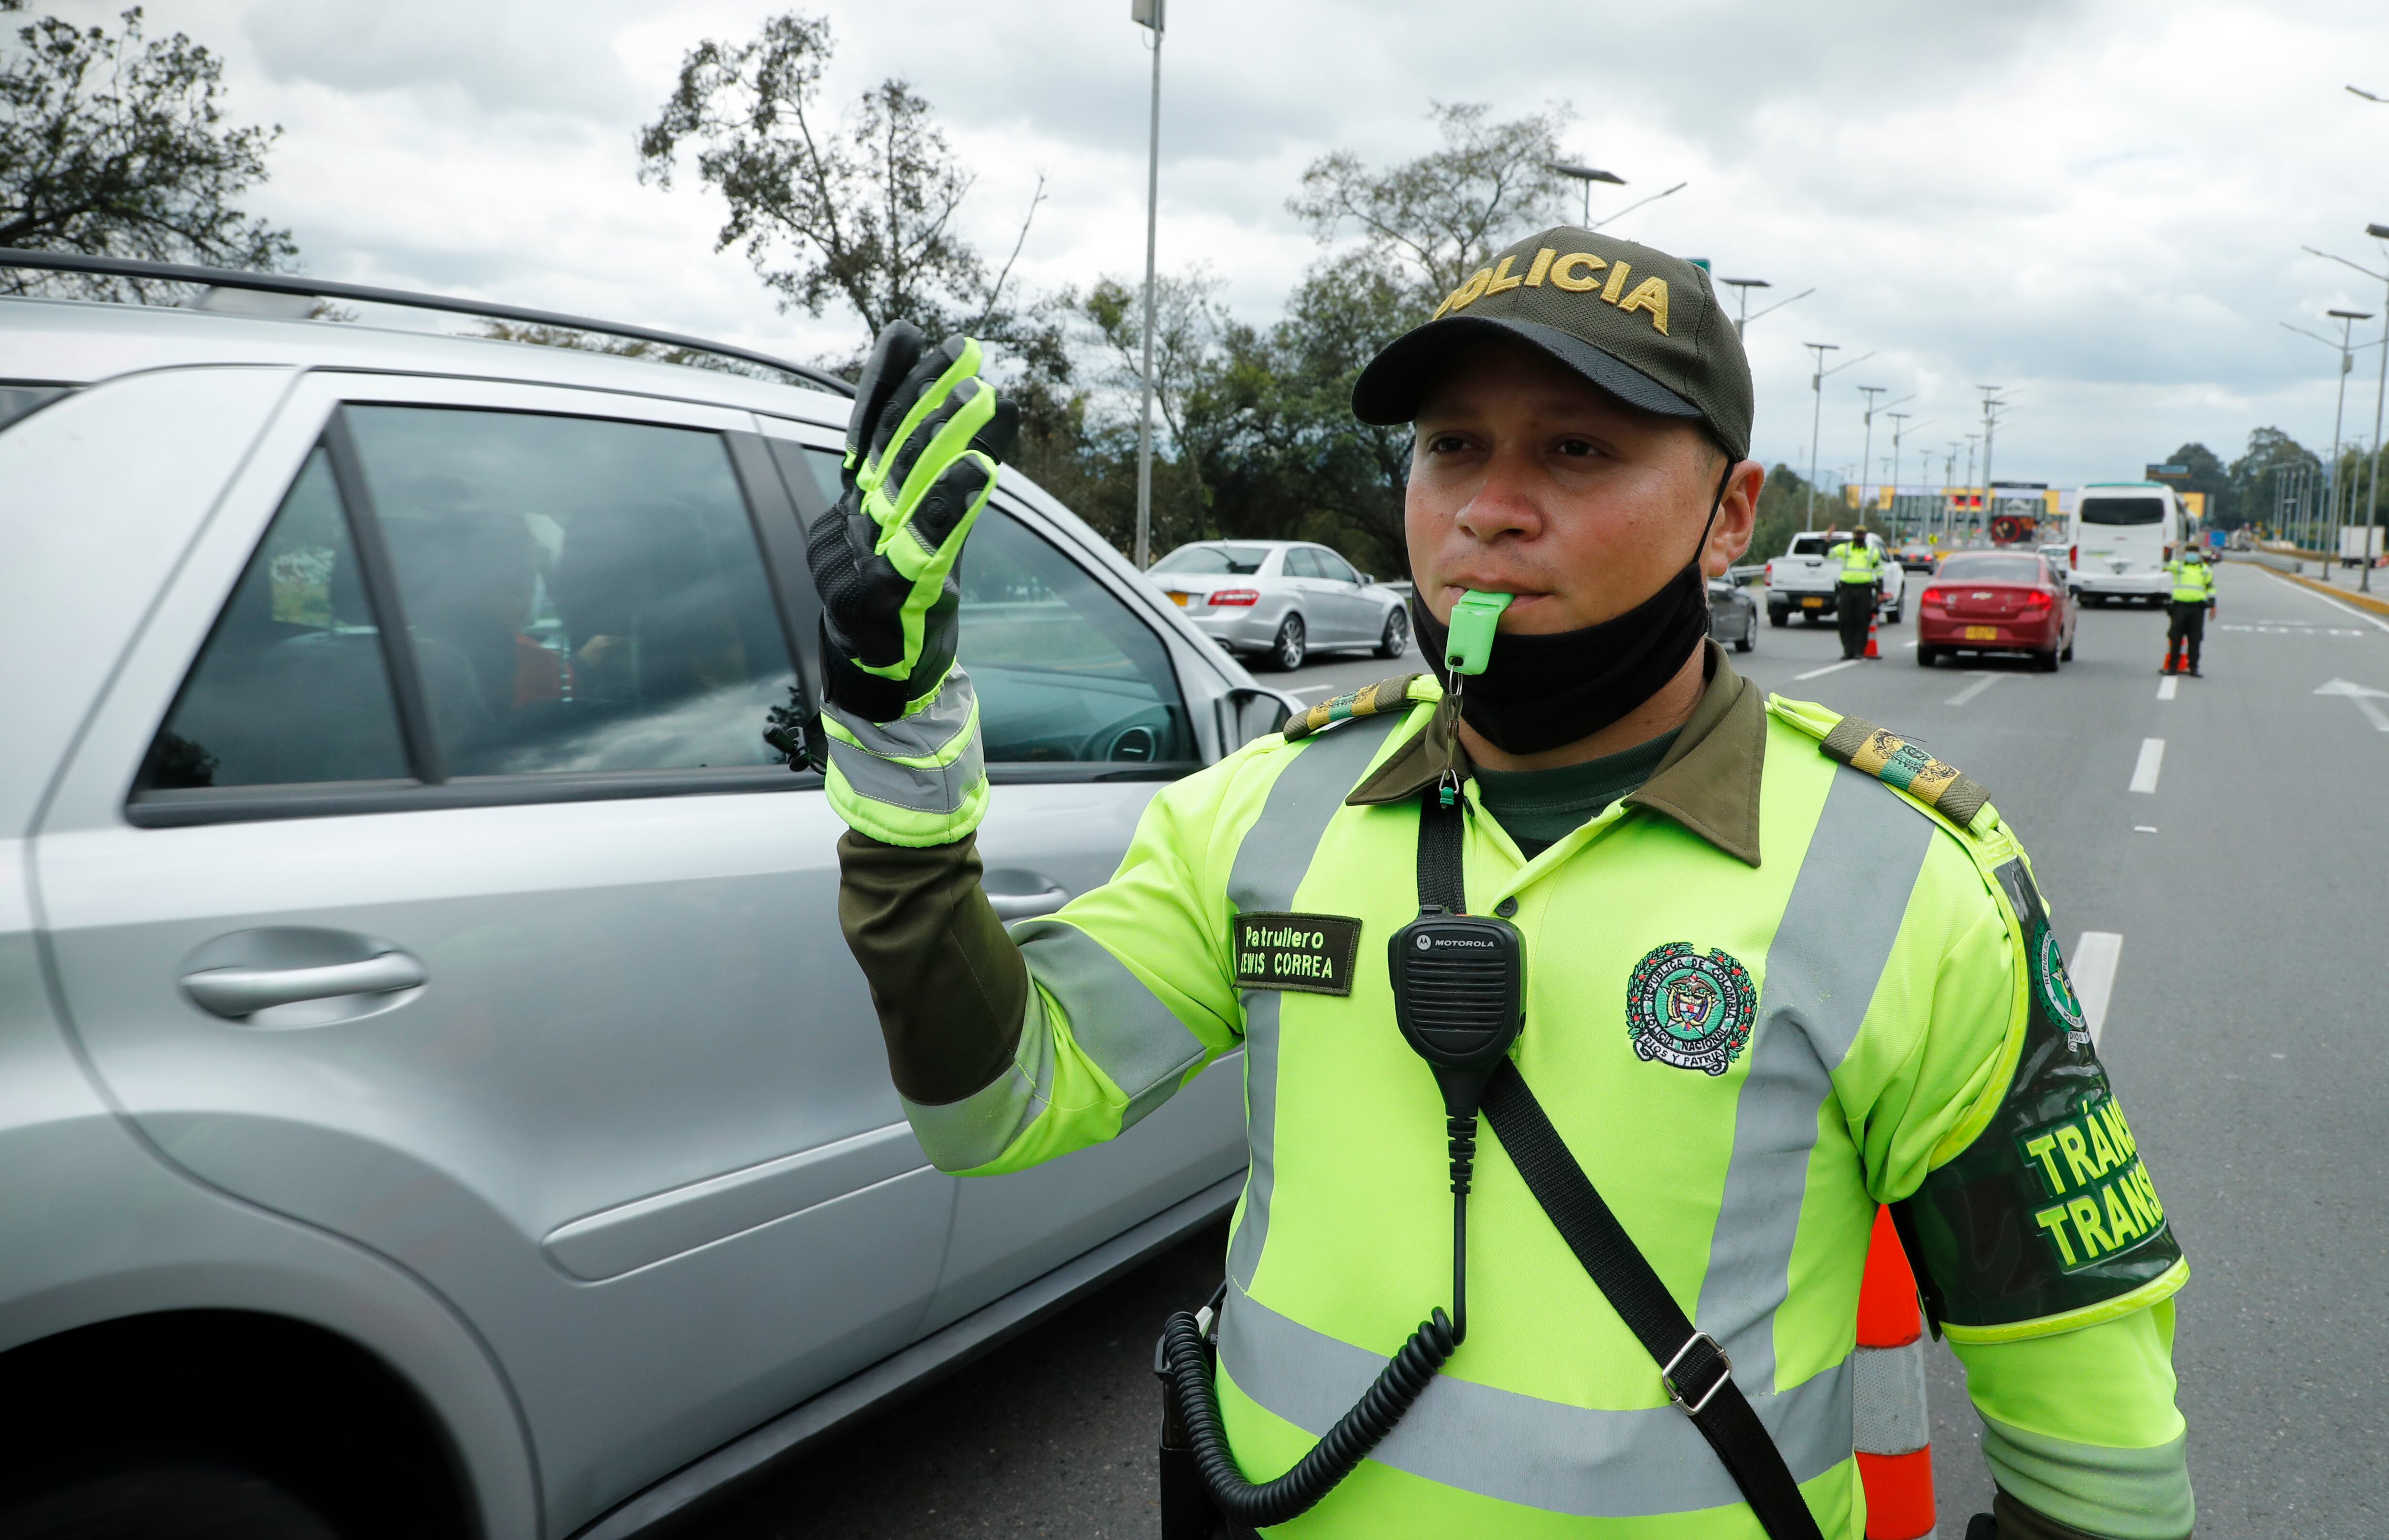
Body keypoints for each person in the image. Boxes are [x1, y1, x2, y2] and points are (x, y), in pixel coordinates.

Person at [807, 230, 2192, 1540]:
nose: (1489, 507)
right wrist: (893, 720)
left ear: (1732, 515)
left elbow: (2100, 1455)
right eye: (1452, 445)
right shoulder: (1268, 806)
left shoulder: (1907, 882)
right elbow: (993, 1105)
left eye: (1579, 449)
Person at [1826, 530, 1883, 658]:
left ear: (1865, 536)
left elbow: (1880, 572)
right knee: (1845, 620)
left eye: (1862, 535)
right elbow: (1827, 555)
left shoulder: (1873, 552)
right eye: (1857, 535)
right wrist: (1828, 541)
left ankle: (1859, 651)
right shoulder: (1845, 549)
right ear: (1854, 536)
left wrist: (1880, 592)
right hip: (1847, 590)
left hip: (1864, 591)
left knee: (1862, 620)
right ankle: (1848, 650)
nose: (1859, 537)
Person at [2162, 545, 2216, 676]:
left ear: (2199, 555)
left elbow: (2210, 588)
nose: (2192, 555)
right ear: (2185, 553)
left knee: (2195, 640)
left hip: (2197, 608)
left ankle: (2194, 668)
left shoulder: (2205, 570)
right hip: (2179, 607)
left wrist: (2213, 606)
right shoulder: (2178, 566)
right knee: (2175, 639)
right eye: (2189, 552)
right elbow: (2164, 564)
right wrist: (2169, 549)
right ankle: (2173, 668)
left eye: (2194, 553)